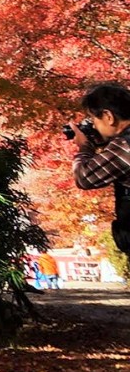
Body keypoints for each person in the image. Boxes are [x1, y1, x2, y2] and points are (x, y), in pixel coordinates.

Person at [71, 82, 130, 257]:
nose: (94, 126)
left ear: (108, 116)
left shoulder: (126, 145)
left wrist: (85, 148)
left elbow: (85, 177)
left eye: (94, 119)